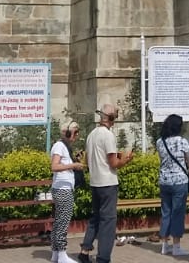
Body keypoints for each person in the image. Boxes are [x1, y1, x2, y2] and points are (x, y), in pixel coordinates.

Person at [78, 103, 133, 263]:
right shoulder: (108, 136)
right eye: (115, 115)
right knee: (108, 221)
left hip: (95, 182)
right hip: (107, 182)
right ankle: (103, 257)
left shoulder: (91, 134)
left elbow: (88, 159)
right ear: (110, 118)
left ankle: (85, 250)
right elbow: (113, 163)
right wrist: (126, 160)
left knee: (96, 217)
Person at [49, 120, 86, 263]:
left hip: (62, 187)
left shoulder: (64, 146)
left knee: (59, 222)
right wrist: (74, 165)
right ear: (67, 132)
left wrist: (74, 161)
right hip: (62, 189)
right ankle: (62, 254)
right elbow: (55, 166)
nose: (76, 136)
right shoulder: (59, 146)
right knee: (63, 222)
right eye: (75, 132)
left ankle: (55, 252)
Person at [156, 114, 189, 256]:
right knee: (178, 213)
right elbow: (188, 161)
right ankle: (176, 247)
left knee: (166, 212)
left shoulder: (160, 142)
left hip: (164, 180)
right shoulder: (183, 141)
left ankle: (164, 245)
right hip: (179, 181)